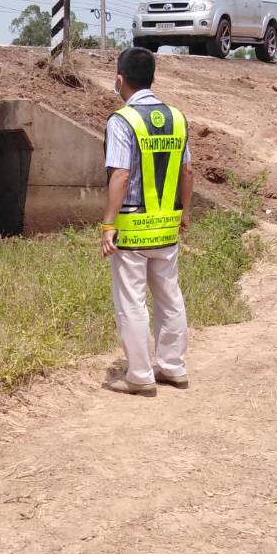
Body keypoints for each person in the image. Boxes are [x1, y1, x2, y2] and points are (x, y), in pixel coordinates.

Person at [99, 46, 194, 397]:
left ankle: (139, 376)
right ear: (152, 78)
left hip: (132, 225)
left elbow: (121, 175)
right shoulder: (177, 118)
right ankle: (173, 368)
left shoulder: (122, 120)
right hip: (166, 225)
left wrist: (109, 224)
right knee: (169, 296)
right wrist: (185, 211)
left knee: (132, 302)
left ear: (119, 79)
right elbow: (187, 171)